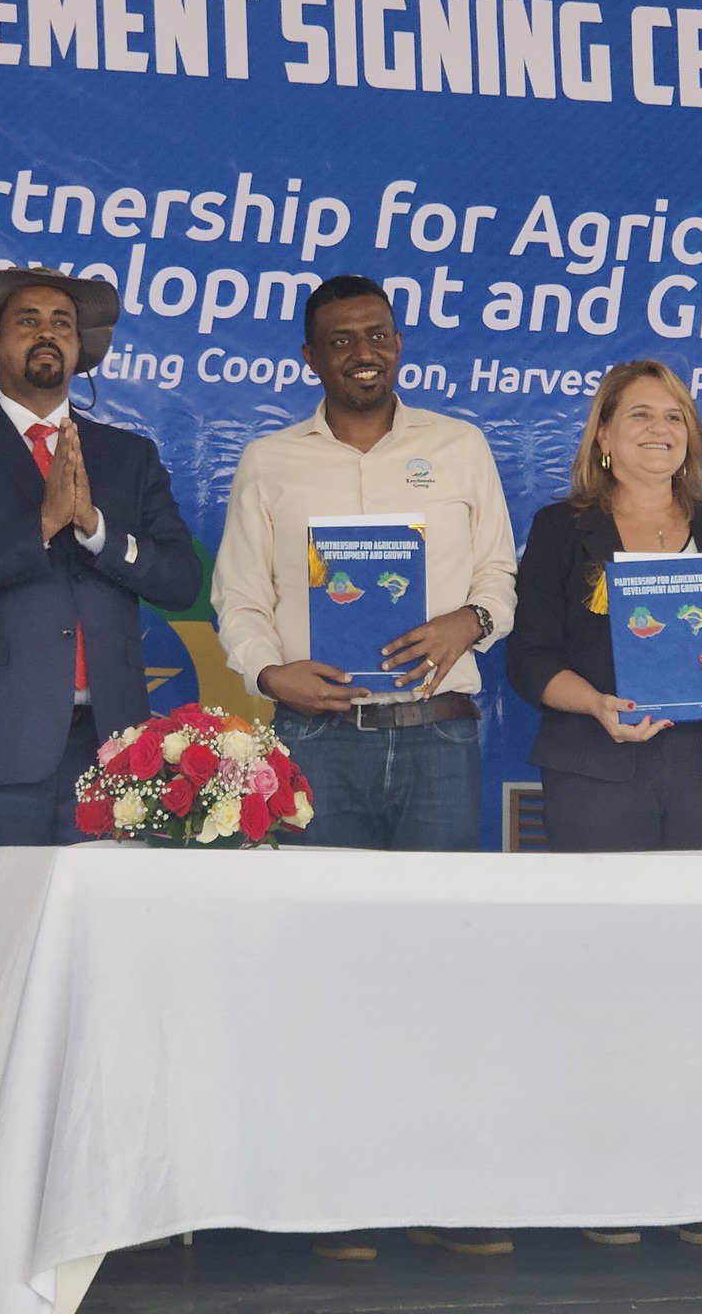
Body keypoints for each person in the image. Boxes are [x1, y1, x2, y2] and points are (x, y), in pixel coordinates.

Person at [212, 273, 517, 1261]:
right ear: (309, 357)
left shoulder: (458, 446)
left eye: (376, 334)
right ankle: (336, 1191)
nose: (361, 351)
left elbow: (499, 575)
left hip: (437, 734)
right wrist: (269, 673)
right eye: (340, 339)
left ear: (399, 343)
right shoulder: (269, 461)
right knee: (327, 965)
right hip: (318, 743)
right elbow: (238, 599)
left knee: (439, 965)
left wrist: (469, 621)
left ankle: (440, 1187)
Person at [0, 270, 200, 944]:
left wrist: (95, 529)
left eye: (62, 322)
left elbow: (180, 580)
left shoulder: (128, 456)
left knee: (102, 957)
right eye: (27, 320)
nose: (47, 333)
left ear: (80, 347)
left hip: (114, 753)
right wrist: (39, 525)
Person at [508, 359, 702, 852]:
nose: (660, 429)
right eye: (641, 415)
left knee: (698, 905)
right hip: (594, 766)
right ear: (604, 436)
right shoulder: (560, 528)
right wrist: (596, 705)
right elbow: (530, 658)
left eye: (675, 417)